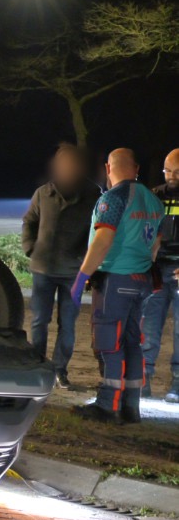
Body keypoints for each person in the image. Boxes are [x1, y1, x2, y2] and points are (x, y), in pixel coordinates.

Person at [70, 148, 164, 424]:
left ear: (108, 168)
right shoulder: (153, 201)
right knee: (133, 343)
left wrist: (81, 278)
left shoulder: (113, 198)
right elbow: (156, 245)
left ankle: (107, 406)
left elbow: (103, 240)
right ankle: (131, 407)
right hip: (142, 278)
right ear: (136, 169)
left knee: (109, 343)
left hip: (116, 278)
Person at [21, 144, 97, 388]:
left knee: (68, 325)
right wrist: (30, 247)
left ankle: (59, 370)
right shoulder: (43, 193)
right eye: (61, 164)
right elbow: (29, 221)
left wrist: (85, 259)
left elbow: (97, 232)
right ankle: (37, 366)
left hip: (74, 273)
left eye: (70, 164)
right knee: (39, 321)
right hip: (43, 269)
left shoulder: (93, 195)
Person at [141, 148, 179, 403]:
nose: (171, 176)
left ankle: (177, 383)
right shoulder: (154, 196)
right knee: (149, 326)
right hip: (155, 270)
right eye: (168, 171)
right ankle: (144, 379)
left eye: (177, 172)